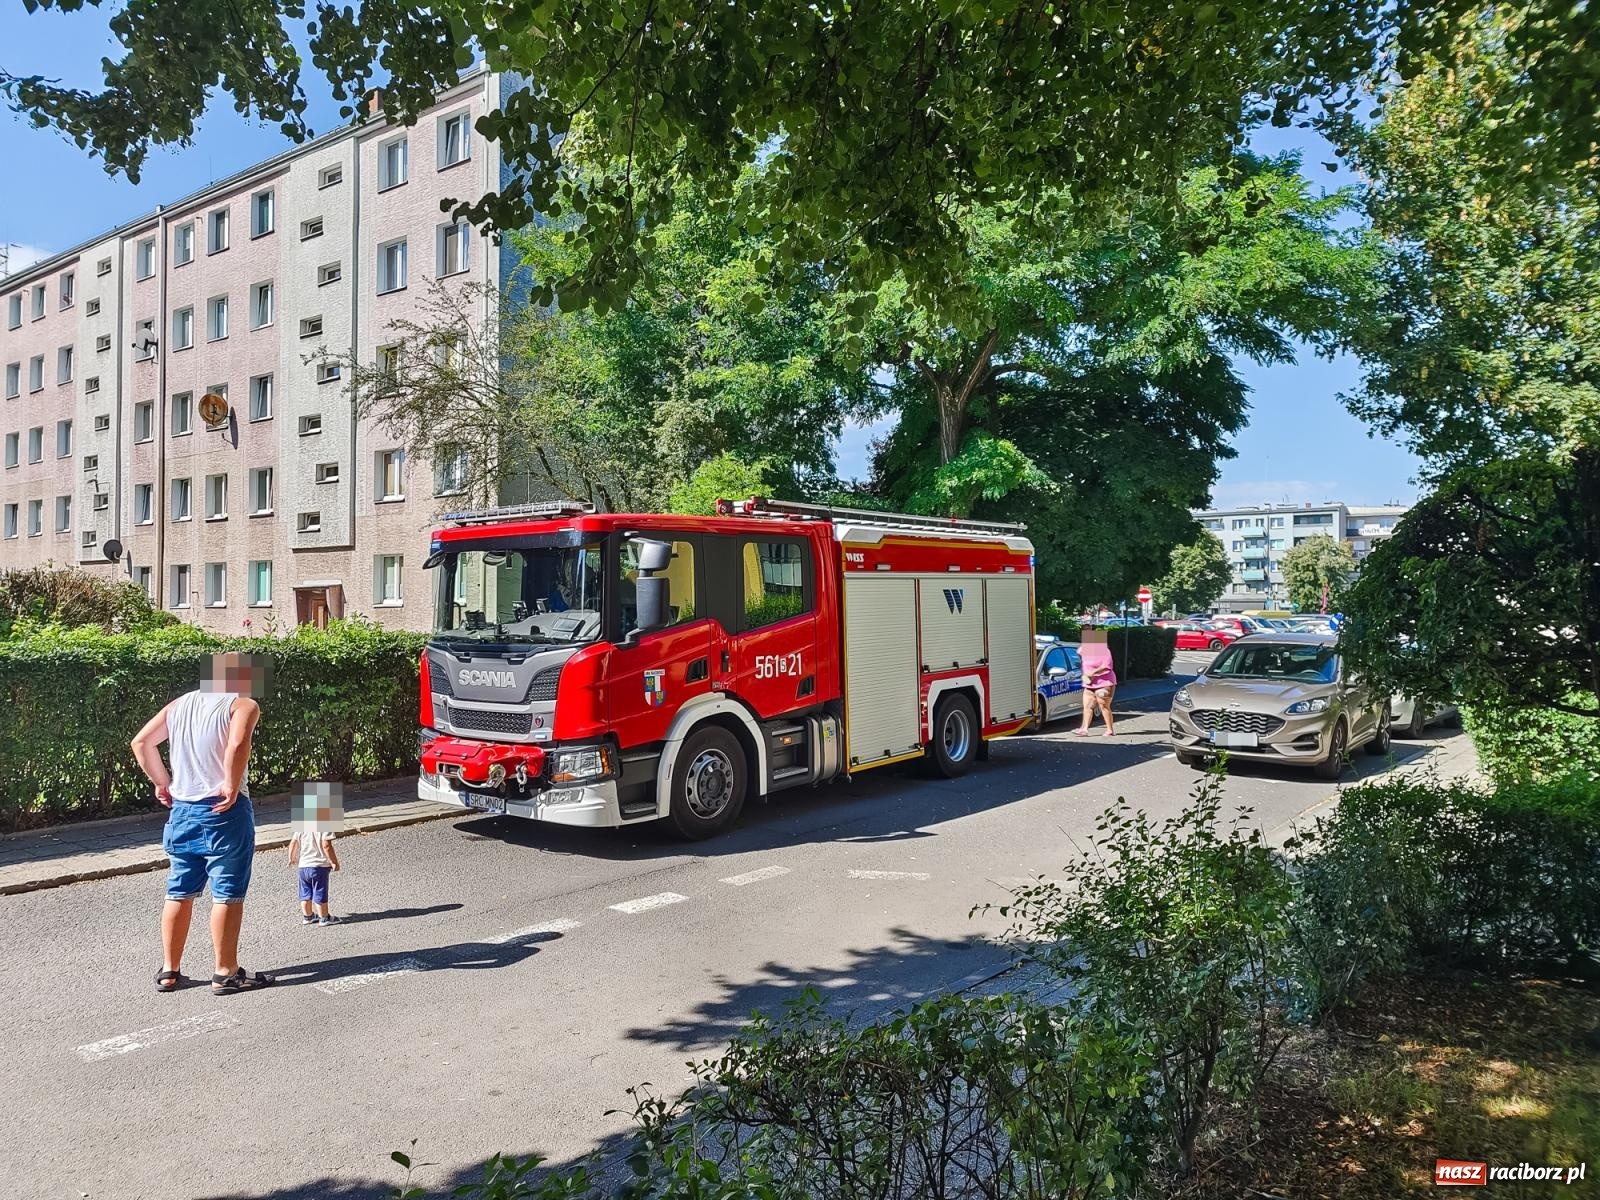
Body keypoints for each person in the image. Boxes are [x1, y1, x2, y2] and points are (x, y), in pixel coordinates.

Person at [131, 651, 274, 995]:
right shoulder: (243, 706)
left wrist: (162, 781)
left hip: (182, 810)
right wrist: (229, 781)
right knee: (227, 893)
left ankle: (169, 970)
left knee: (179, 889)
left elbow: (141, 742)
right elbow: (238, 743)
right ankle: (225, 972)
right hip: (224, 811)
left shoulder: (179, 705)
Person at [288, 810, 342, 926]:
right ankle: (324, 918)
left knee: (305, 892)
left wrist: (291, 858)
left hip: (303, 866)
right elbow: (326, 846)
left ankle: (308, 916)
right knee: (320, 891)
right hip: (319, 866)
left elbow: (293, 843)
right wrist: (334, 862)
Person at [1075, 637, 1117, 737]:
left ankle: (1109, 730)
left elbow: (1107, 666)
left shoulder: (1105, 651)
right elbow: (1079, 651)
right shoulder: (1086, 651)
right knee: (1087, 706)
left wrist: (1092, 673)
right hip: (1089, 684)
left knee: (1104, 706)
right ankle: (1084, 729)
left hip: (1104, 683)